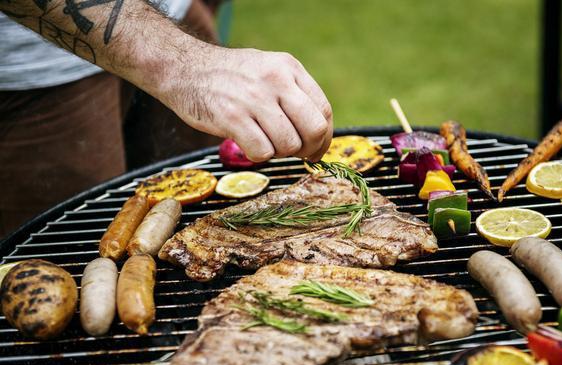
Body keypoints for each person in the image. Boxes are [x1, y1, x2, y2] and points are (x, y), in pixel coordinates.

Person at [0, 0, 333, 237]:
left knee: (207, 208)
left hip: (172, 18)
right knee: (67, 252)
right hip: (34, 76)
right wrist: (183, 65)